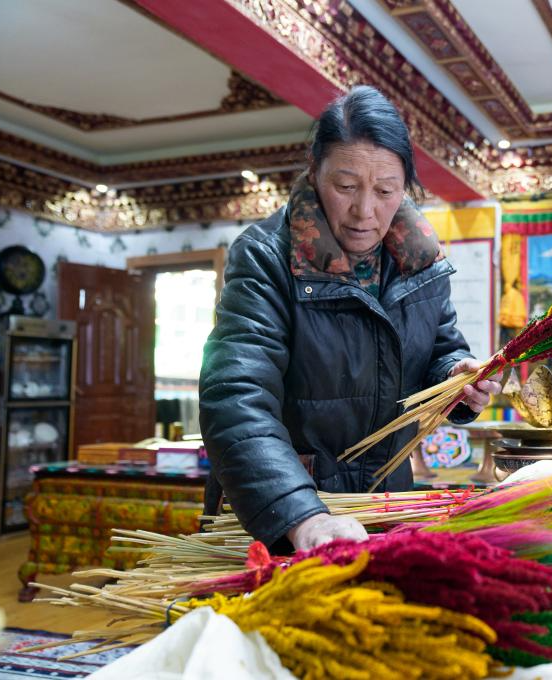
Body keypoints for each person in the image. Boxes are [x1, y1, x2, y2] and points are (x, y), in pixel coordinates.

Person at [199, 86, 501, 552]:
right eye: (345, 187)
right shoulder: (265, 258)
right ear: (314, 171)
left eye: (385, 191)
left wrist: (456, 379)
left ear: (405, 186)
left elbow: (441, 347)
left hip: (384, 507)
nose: (364, 211)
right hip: (284, 517)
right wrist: (301, 515)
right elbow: (236, 397)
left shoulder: (419, 260)